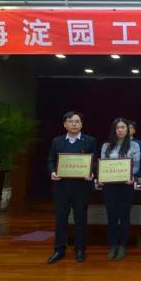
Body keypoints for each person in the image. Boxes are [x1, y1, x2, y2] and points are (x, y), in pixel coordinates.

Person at [46, 111, 97, 264]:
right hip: (61, 187)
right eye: (70, 121)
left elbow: (95, 161)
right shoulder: (57, 141)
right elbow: (51, 160)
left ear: (81, 124)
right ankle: (59, 249)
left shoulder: (90, 141)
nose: (74, 124)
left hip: (81, 187)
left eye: (77, 121)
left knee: (80, 218)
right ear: (65, 124)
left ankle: (80, 249)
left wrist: (91, 173)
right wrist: (52, 172)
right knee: (61, 218)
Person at [99, 117, 141, 260]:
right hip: (109, 186)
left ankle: (123, 245)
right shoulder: (106, 146)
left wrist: (130, 176)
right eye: (118, 128)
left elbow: (136, 167)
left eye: (123, 127)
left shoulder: (134, 146)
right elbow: (103, 165)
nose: (120, 130)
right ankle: (113, 245)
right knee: (111, 216)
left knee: (124, 216)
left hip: (126, 185)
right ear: (114, 130)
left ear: (128, 130)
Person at [128, 120, 141, 184]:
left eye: (131, 128)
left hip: (136, 175)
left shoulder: (139, 143)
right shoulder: (117, 143)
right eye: (126, 127)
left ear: (134, 131)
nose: (128, 129)